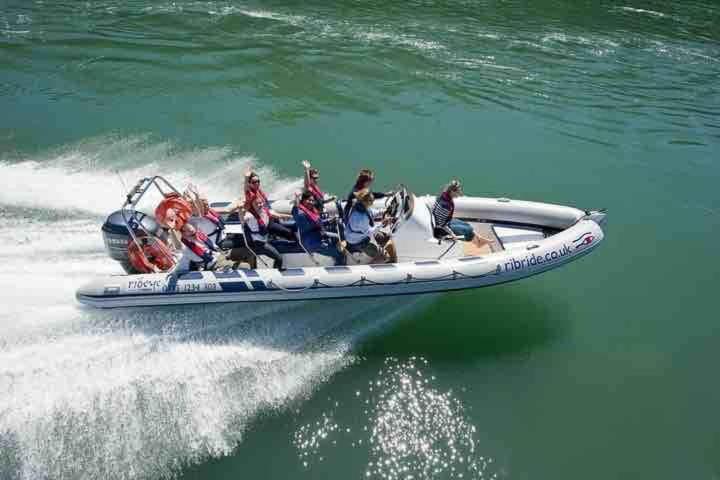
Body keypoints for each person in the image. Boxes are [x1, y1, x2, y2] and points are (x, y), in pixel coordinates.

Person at [293, 190, 346, 265]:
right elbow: (315, 224)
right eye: (308, 200)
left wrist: (330, 220)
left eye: (312, 200)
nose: (311, 202)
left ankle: (334, 252)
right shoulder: (301, 215)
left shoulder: (308, 210)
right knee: (339, 254)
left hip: (317, 235)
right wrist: (329, 221)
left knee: (336, 236)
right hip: (312, 242)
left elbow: (317, 222)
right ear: (303, 200)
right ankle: (339, 265)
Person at [432, 180, 490, 247]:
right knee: (467, 231)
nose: (460, 193)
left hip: (445, 221)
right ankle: (478, 244)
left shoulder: (443, 195)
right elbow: (442, 224)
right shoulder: (446, 205)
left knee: (467, 225)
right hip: (440, 229)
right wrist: (452, 234)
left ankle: (480, 239)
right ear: (452, 192)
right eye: (458, 192)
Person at [344, 189, 397, 263]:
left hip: (362, 233)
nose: (373, 202)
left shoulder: (361, 207)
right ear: (365, 201)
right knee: (381, 256)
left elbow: (371, 213)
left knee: (383, 237)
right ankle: (374, 262)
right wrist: (382, 223)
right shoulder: (360, 218)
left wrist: (384, 212)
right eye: (371, 200)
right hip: (357, 241)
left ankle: (382, 249)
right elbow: (369, 232)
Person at [167, 222, 234, 279]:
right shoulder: (187, 248)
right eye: (188, 231)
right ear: (183, 234)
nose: (192, 230)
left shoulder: (201, 236)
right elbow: (178, 246)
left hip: (221, 258)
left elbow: (216, 249)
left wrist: (225, 255)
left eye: (192, 229)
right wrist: (172, 230)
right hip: (215, 265)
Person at [244, 170, 296, 242]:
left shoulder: (258, 190)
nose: (257, 183)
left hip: (269, 217)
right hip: (265, 223)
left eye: (258, 181)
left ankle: (274, 235)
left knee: (281, 223)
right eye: (254, 182)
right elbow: (246, 189)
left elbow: (268, 210)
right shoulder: (250, 195)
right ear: (249, 183)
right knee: (288, 232)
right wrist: (246, 177)